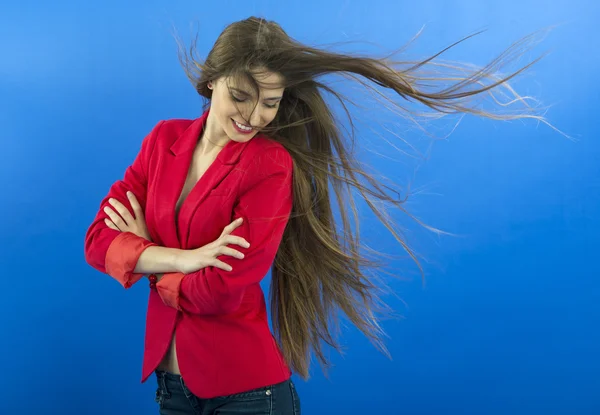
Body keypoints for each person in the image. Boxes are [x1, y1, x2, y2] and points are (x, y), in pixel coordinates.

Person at [84, 16, 550, 415]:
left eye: (271, 102)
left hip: (246, 393)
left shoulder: (268, 166)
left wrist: (145, 259)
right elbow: (96, 241)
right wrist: (183, 260)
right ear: (212, 80)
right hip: (172, 388)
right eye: (241, 96)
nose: (254, 116)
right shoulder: (163, 140)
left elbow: (222, 291)